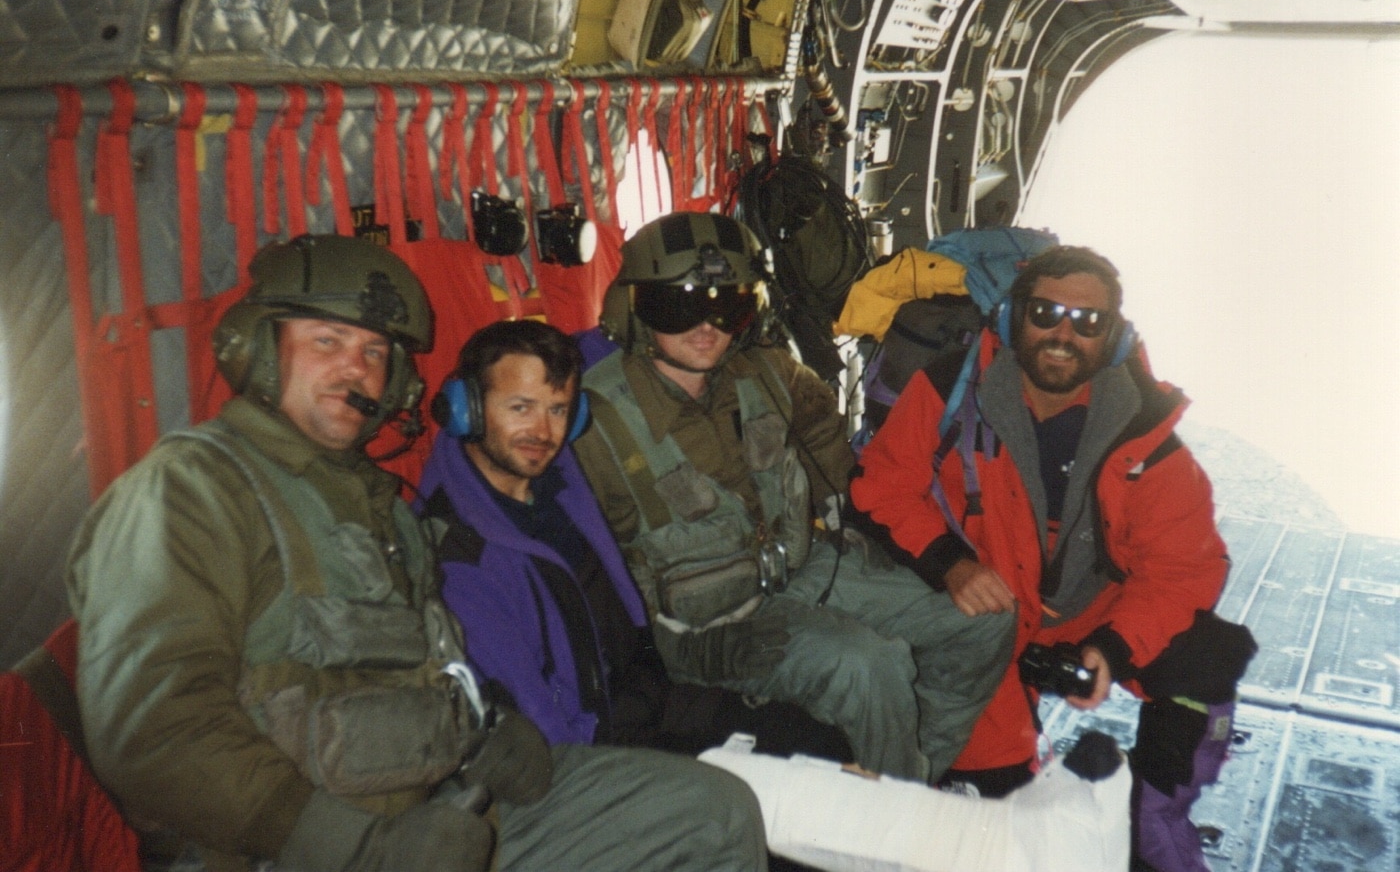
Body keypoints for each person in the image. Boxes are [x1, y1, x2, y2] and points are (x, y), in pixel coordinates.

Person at [65, 234, 769, 872]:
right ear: (257, 348)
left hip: (448, 804)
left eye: (374, 352)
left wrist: (488, 729)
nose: (356, 370)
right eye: (328, 341)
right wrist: (356, 846)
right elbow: (151, 730)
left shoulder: (374, 501)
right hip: (301, 847)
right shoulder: (185, 489)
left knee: (717, 812)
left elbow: (427, 662)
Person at [849, 245, 1257, 872]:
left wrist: (1113, 648)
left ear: (1114, 338)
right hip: (981, 615)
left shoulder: (1146, 434)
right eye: (1046, 312)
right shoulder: (951, 389)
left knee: (1209, 656)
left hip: (1086, 618)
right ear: (1014, 320)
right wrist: (950, 565)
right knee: (997, 823)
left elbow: (1184, 567)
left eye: (1088, 321)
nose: (1064, 334)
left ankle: (1153, 818)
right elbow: (882, 488)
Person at [571, 211, 1015, 784]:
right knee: (867, 666)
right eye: (680, 305)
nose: (707, 326)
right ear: (632, 311)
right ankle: (899, 820)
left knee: (984, 621)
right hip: (709, 629)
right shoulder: (596, 424)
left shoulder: (771, 376)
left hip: (803, 570)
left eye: (726, 305)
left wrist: (854, 526)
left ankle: (909, 777)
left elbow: (830, 448)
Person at [415, 318, 850, 759]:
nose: (543, 433)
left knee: (818, 742)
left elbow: (615, 338)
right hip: (589, 749)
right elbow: (541, 729)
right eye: (520, 408)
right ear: (465, 409)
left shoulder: (559, 486)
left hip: (644, 699)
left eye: (558, 409)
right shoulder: (461, 554)